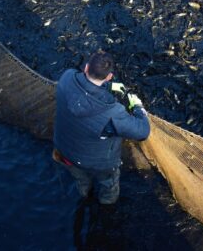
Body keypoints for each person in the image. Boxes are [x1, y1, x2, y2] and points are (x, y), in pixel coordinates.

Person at [53, 51, 151, 205]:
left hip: (65, 152)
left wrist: (107, 86)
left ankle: (84, 194)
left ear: (86, 68)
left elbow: (82, 89)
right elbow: (143, 131)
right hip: (99, 164)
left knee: (81, 180)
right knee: (108, 185)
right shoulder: (113, 112)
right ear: (109, 76)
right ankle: (107, 205)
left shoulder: (66, 77)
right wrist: (138, 107)